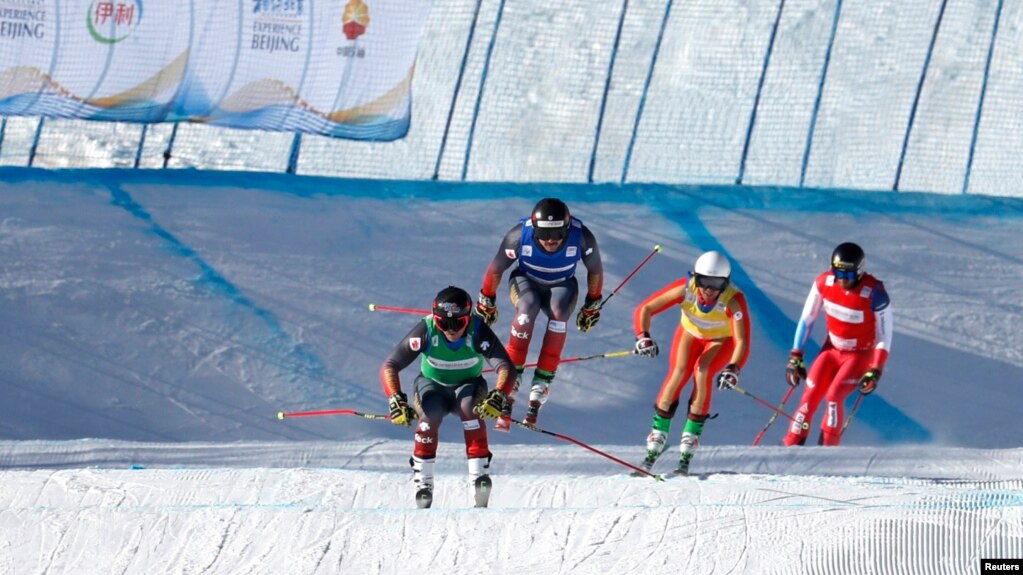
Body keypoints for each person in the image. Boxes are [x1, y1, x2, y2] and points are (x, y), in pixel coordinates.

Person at [473, 198, 605, 429]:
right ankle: (511, 379)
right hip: (526, 281)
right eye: (543, 234)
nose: (551, 241)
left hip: (562, 284)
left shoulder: (582, 236)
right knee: (527, 308)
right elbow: (496, 269)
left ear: (567, 226)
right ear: (534, 228)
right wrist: (487, 300)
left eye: (557, 234)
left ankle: (542, 382)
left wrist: (592, 303)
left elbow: (595, 270)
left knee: (559, 313)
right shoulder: (519, 236)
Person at [380, 286, 516, 509]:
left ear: (468, 317)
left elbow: (505, 367)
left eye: (458, 324)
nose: (451, 330)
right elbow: (390, 365)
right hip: (432, 385)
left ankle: (479, 476)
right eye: (445, 324)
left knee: (469, 410)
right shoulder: (427, 329)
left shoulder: (478, 329)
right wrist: (395, 400)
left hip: (469, 385)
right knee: (429, 419)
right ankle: (423, 483)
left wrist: (499, 396)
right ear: (436, 319)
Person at [632, 250, 751, 476]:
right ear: (695, 277)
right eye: (704, 281)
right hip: (690, 335)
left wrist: (733, 368)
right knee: (678, 374)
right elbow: (645, 309)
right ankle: (657, 437)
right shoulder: (686, 289)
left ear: (725, 284)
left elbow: (742, 340)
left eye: (716, 284)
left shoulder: (733, 301)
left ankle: (689, 441)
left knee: (702, 371)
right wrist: (643, 336)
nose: (709, 290)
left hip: (718, 341)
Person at [782, 242, 892, 447]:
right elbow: (807, 319)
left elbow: (885, 335)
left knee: (833, 397)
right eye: (838, 273)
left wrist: (876, 369)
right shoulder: (824, 283)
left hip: (859, 356)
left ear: (859, 273)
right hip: (832, 350)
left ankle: (828, 451)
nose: (842, 280)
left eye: (848, 276)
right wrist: (795, 356)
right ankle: (791, 444)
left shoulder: (874, 293)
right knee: (809, 397)